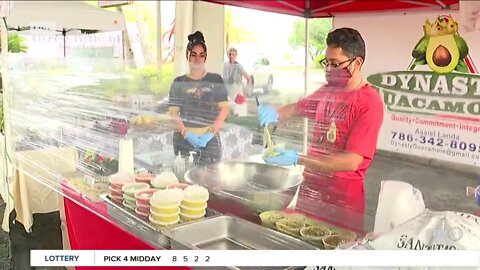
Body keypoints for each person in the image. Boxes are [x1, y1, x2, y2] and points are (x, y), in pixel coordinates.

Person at [258, 28, 384, 230]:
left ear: (357, 63)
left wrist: (297, 158)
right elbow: (297, 107)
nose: (330, 69)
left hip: (341, 199)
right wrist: (274, 113)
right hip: (311, 189)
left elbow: (351, 161)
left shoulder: (369, 103)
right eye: (327, 63)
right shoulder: (328, 91)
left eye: (336, 64)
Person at [168, 31, 229, 165]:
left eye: (201, 55)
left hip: (210, 140)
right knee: (184, 179)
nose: (197, 59)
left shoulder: (216, 80)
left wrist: (211, 133)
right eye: (193, 55)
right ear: (187, 56)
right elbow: (173, 113)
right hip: (183, 141)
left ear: (205, 58)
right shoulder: (179, 83)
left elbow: (224, 109)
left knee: (211, 179)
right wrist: (186, 133)